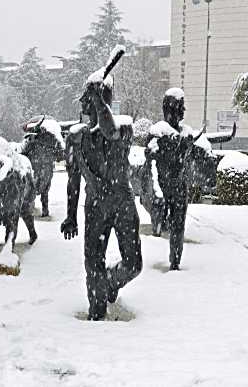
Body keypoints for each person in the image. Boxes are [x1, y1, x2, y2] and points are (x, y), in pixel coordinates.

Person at [60, 66, 143, 321]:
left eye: (95, 98)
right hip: (95, 207)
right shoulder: (76, 138)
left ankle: (110, 282)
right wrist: (70, 215)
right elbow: (73, 180)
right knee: (92, 263)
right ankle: (96, 312)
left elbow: (110, 132)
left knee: (133, 265)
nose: (88, 103)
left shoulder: (125, 127)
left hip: (123, 205)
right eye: (89, 98)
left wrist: (99, 102)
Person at [145, 88, 198, 270]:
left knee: (178, 225)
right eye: (180, 107)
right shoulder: (158, 131)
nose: (183, 111)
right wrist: (168, 144)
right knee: (167, 222)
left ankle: (175, 261)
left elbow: (192, 157)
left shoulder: (186, 132)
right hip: (163, 185)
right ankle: (173, 258)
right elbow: (150, 154)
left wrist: (186, 146)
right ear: (170, 108)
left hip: (180, 187)